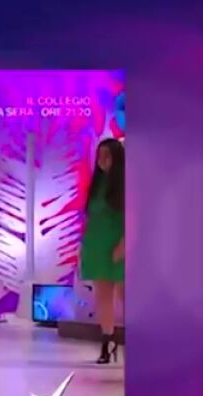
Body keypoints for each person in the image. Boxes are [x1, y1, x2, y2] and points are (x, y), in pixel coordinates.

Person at [79, 138, 125, 364]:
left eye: (107, 156)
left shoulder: (126, 185)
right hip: (96, 245)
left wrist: (124, 245)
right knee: (102, 298)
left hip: (120, 245)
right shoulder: (96, 185)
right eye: (99, 156)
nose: (102, 161)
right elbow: (90, 217)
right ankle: (107, 341)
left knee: (126, 296)